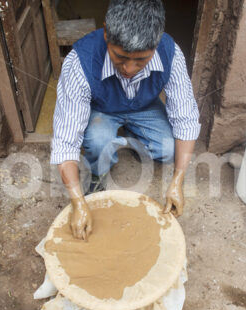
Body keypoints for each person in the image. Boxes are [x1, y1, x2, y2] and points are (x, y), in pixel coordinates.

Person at [51, 0, 200, 240]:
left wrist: (178, 180)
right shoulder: (80, 62)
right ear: (106, 33)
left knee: (169, 149)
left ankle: (128, 134)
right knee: (98, 142)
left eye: (141, 61)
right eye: (120, 58)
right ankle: (99, 173)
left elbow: (186, 119)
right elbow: (65, 141)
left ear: (157, 41)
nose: (129, 68)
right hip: (102, 109)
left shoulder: (170, 52)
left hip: (144, 106)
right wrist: (78, 202)